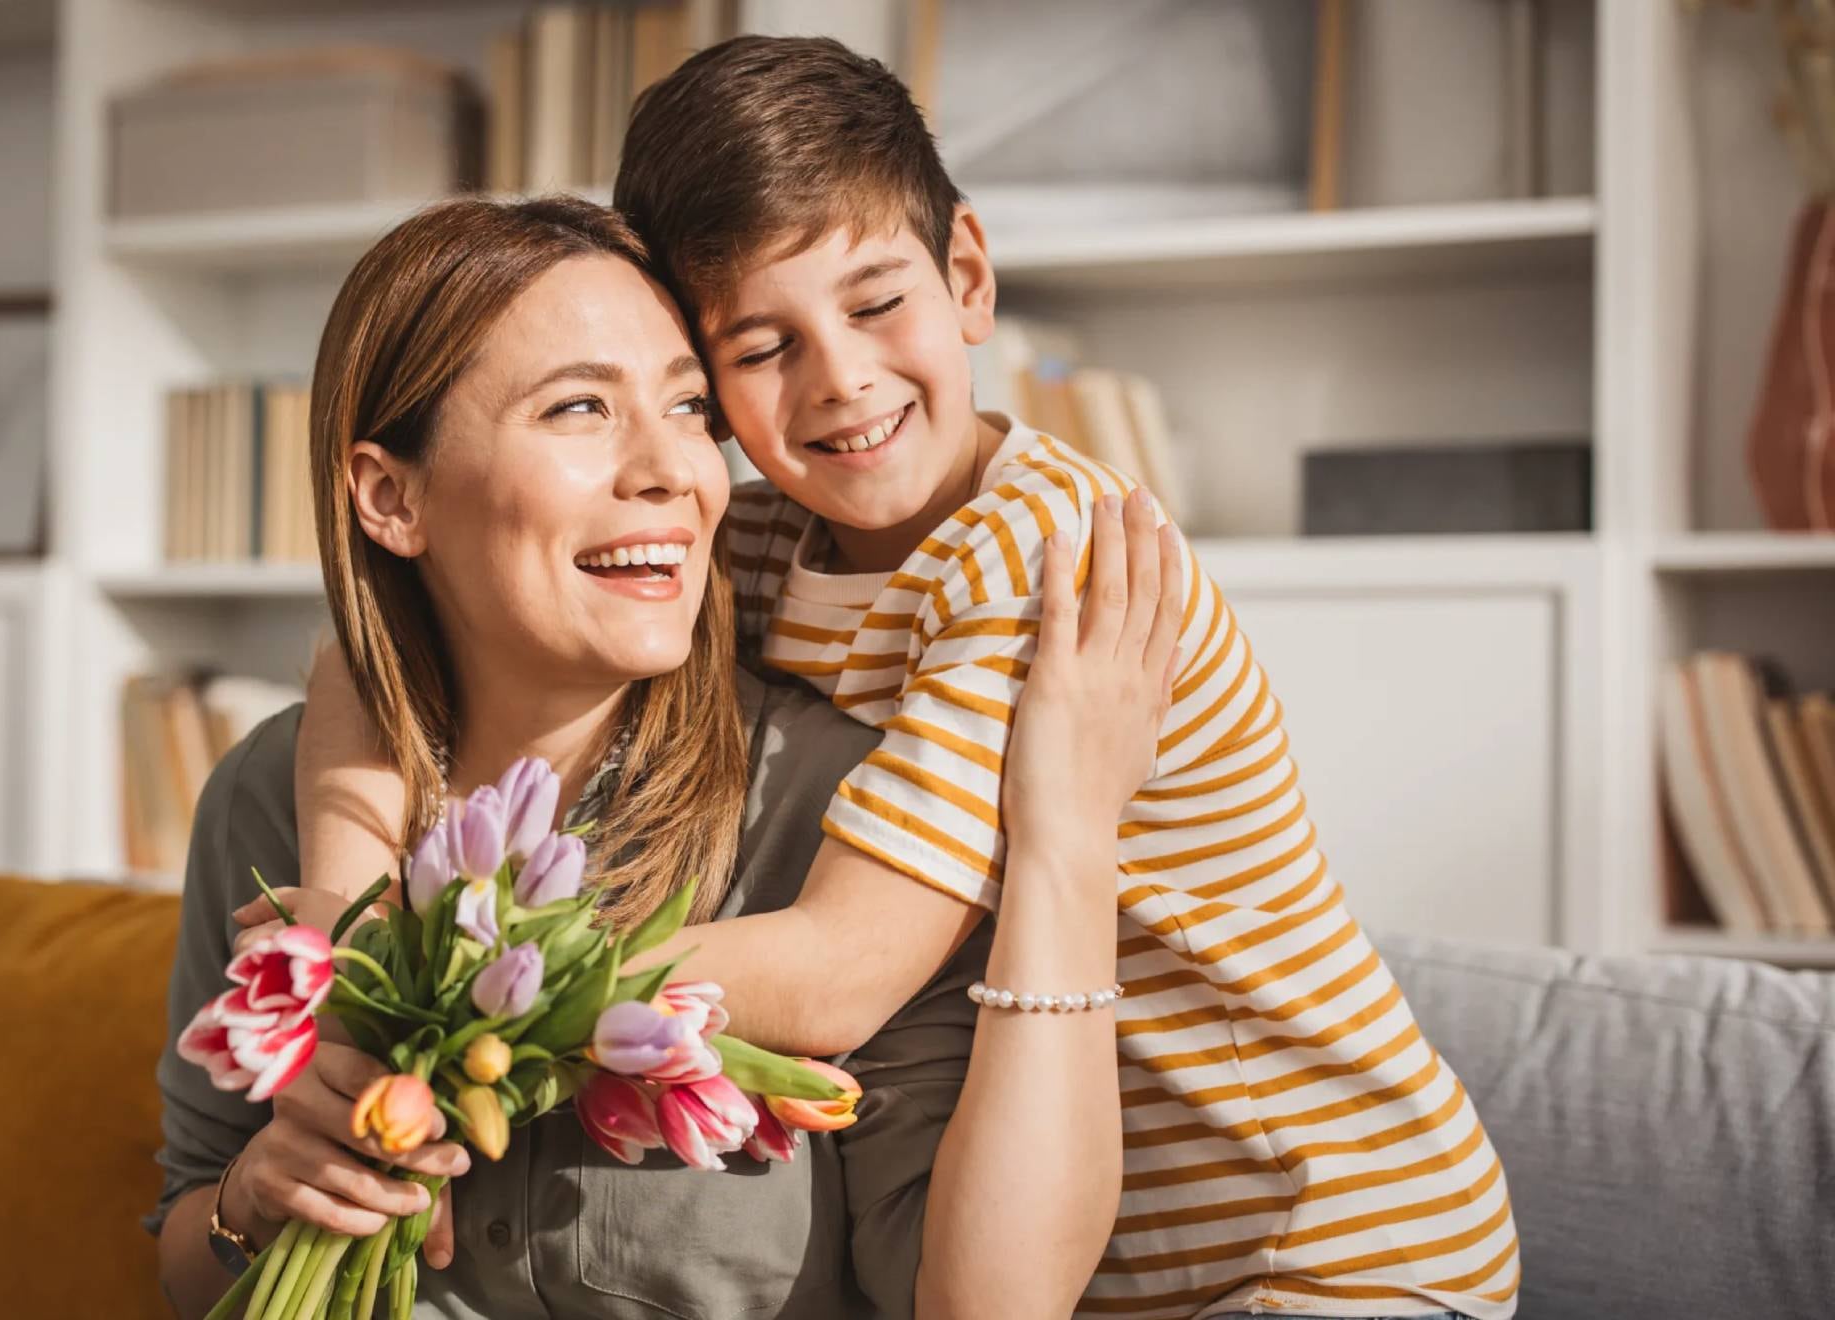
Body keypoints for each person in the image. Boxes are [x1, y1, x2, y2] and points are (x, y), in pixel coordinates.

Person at [299, 34, 1520, 1320]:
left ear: (968, 279)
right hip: (1103, 1253)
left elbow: (837, 975)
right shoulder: (764, 539)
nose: (841, 379)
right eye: (761, 347)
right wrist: (343, 923)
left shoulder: (1039, 558)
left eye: (877, 305)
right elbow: (368, 660)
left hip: (1332, 1236)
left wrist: (451, 992)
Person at [149, 196, 1181, 1320]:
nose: (674, 473)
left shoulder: (839, 815)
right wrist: (254, 1200)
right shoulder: (271, 795)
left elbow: (989, 1306)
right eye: (581, 407)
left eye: (688, 407)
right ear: (392, 496)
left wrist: (1066, 836)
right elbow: (188, 1250)